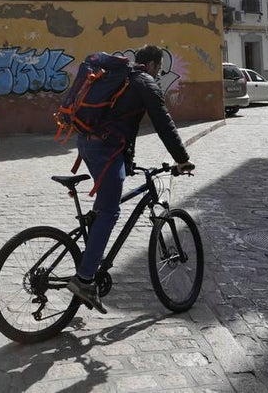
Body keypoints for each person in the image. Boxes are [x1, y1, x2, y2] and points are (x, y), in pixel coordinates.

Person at [66, 45, 195, 314]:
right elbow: (164, 123)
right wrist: (181, 159)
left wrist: (127, 160)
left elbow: (121, 119)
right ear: (152, 64)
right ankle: (85, 279)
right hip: (105, 148)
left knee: (105, 204)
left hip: (87, 144)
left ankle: (93, 251)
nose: (159, 73)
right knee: (111, 211)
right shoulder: (144, 83)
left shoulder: (122, 78)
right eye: (159, 68)